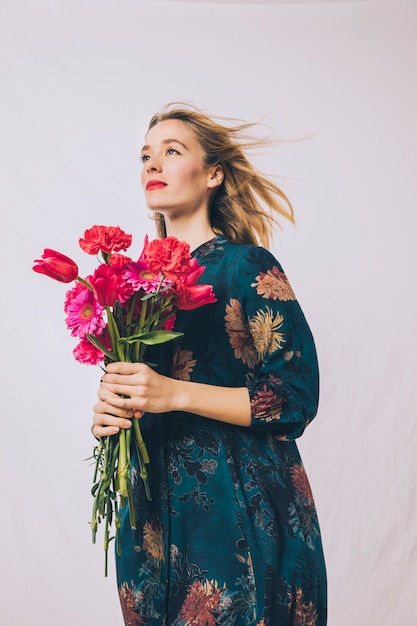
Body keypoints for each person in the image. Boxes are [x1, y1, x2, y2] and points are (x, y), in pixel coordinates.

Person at [92, 103, 327, 625]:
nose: (152, 164)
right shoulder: (135, 291)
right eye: (146, 155)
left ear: (214, 174)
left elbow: (295, 396)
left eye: (171, 152)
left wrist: (172, 393)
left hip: (238, 513)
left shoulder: (247, 265)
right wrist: (112, 413)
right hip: (150, 520)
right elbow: (139, 391)